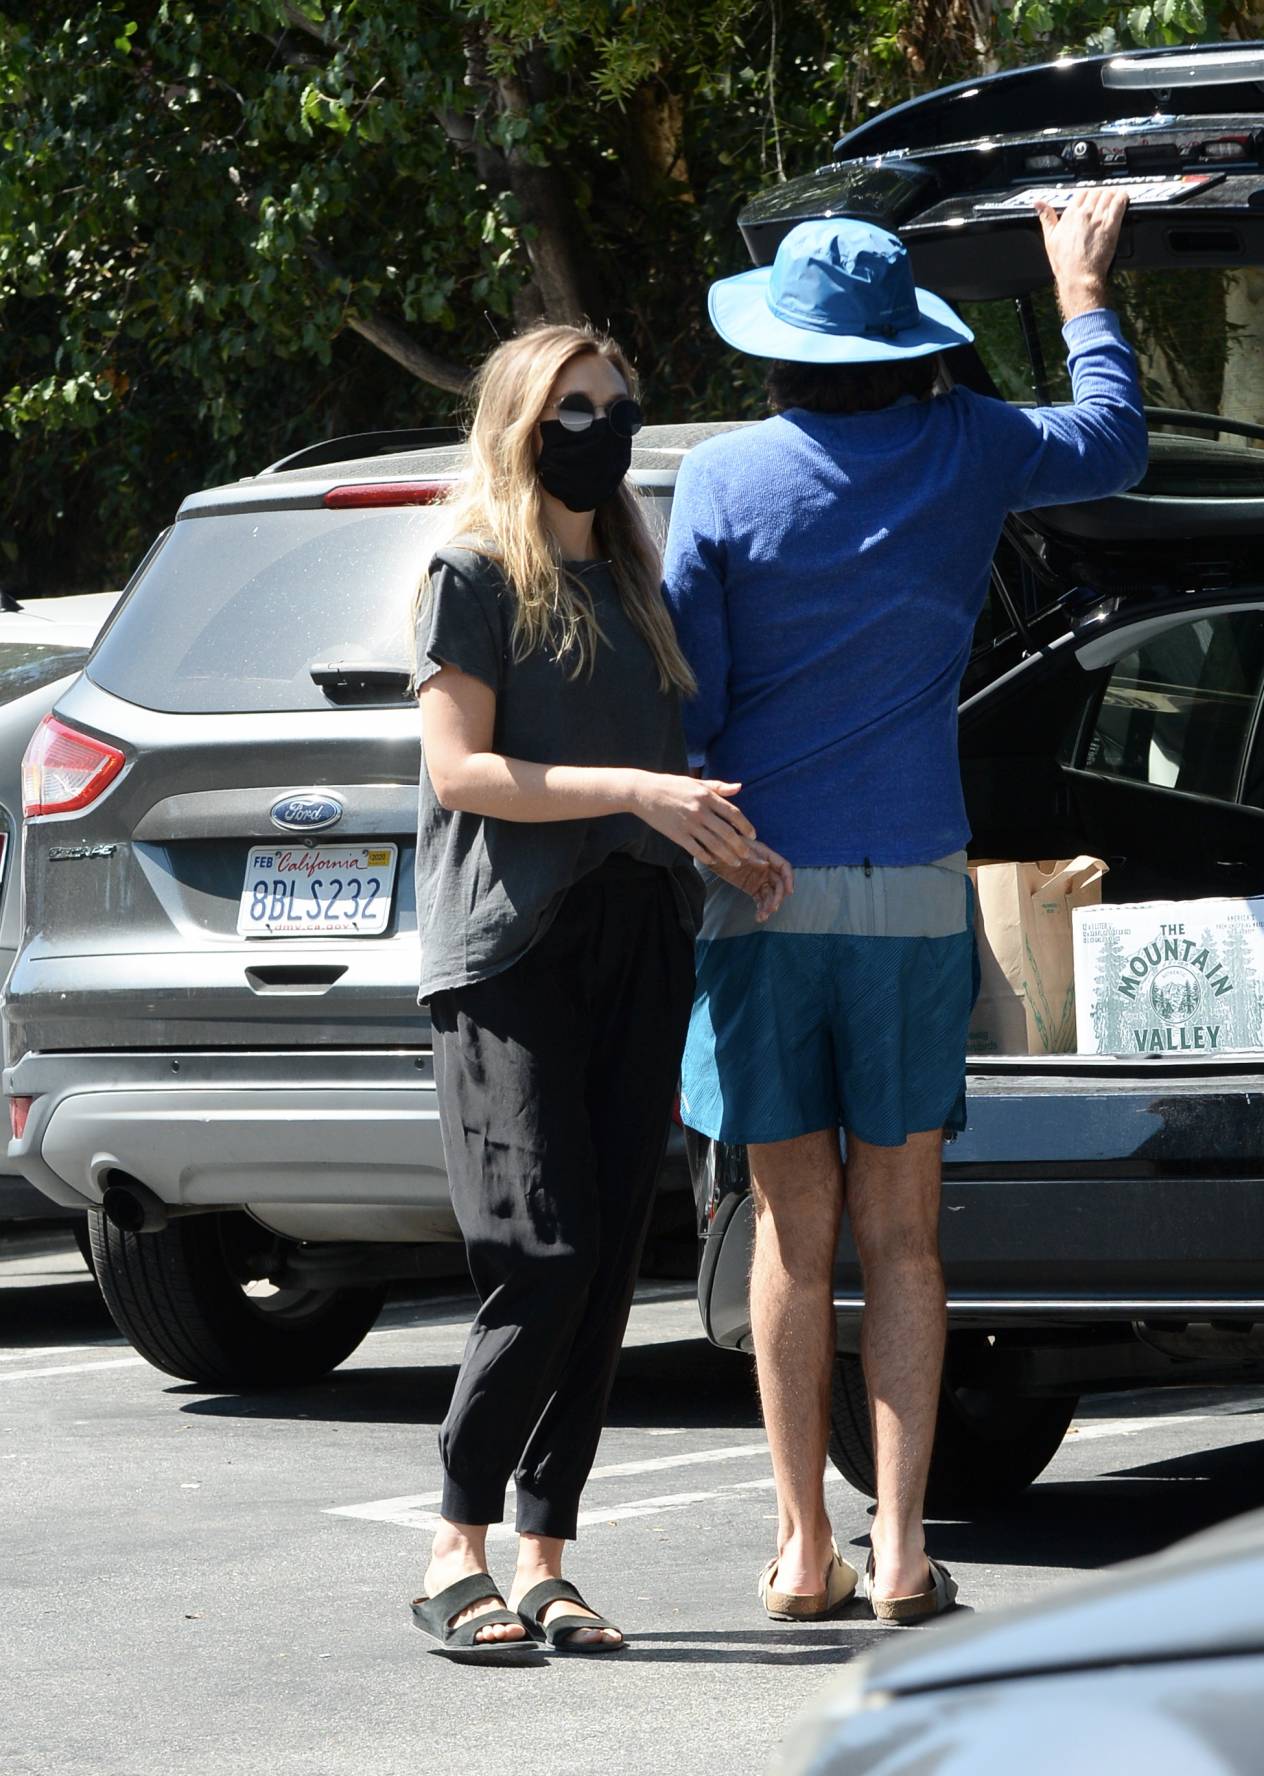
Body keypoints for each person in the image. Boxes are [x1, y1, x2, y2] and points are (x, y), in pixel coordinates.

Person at [664, 189, 1146, 1624]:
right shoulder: (969, 444)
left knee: (791, 1238)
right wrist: (1078, 288)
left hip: (762, 889)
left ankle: (802, 1547)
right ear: (911, 348)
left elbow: (690, 693)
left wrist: (712, 818)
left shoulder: (725, 478)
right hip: (916, 896)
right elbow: (1113, 444)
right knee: (910, 1240)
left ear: (779, 351)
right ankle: (903, 1555)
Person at [408, 322, 791, 1659]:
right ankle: (453, 1545)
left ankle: (546, 1557)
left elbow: (658, 778)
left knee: (614, 1253)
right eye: (575, 403)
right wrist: (635, 791)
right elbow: (462, 771)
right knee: (543, 1246)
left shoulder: (635, 582)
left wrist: (728, 850)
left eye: (618, 402)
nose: (601, 424)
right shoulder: (471, 573)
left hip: (641, 929)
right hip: (512, 948)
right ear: (522, 420)